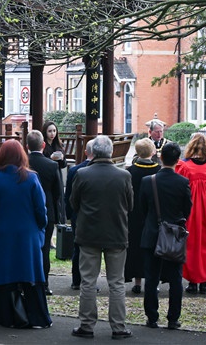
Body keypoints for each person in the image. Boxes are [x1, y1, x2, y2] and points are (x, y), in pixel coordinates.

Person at [69, 135, 134, 340]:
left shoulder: (82, 174)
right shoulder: (123, 176)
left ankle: (86, 325)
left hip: (89, 234)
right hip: (116, 233)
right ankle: (119, 327)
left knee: (88, 281)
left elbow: (74, 203)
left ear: (94, 152)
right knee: (116, 282)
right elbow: (130, 206)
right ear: (111, 152)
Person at [0, 139, 52, 329]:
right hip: (28, 233)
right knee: (30, 273)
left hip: (4, 232)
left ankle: (5, 317)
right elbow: (41, 208)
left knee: (6, 274)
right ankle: (36, 317)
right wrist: (41, 226)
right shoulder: (31, 178)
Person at [139, 142, 191, 330]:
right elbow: (187, 209)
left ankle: (152, 317)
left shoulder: (148, 181)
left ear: (160, 158)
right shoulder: (183, 183)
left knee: (151, 278)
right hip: (174, 235)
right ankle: (173, 318)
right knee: (175, 278)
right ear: (178, 160)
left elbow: (142, 208)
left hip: (152, 232)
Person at [175, 133, 206, 294]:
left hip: (190, 211)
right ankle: (205, 281)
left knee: (191, 245)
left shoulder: (183, 166)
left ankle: (192, 281)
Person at [28, 129, 66, 295]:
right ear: (43, 145)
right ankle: (44, 283)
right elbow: (58, 191)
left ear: (27, 146)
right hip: (47, 210)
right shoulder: (51, 165)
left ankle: (27, 281)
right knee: (44, 248)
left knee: (27, 248)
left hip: (26, 210)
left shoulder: (23, 163)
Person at [124, 138, 160, 294]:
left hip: (134, 214)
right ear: (153, 152)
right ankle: (154, 282)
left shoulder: (130, 172)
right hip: (154, 215)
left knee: (136, 248)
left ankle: (137, 282)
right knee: (154, 249)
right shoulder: (159, 171)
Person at [65, 140, 94, 290]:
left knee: (78, 248)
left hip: (78, 214)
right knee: (93, 250)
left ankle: (76, 280)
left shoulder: (74, 170)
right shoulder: (100, 170)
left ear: (85, 152)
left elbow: (68, 195)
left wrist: (70, 214)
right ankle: (90, 280)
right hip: (95, 216)